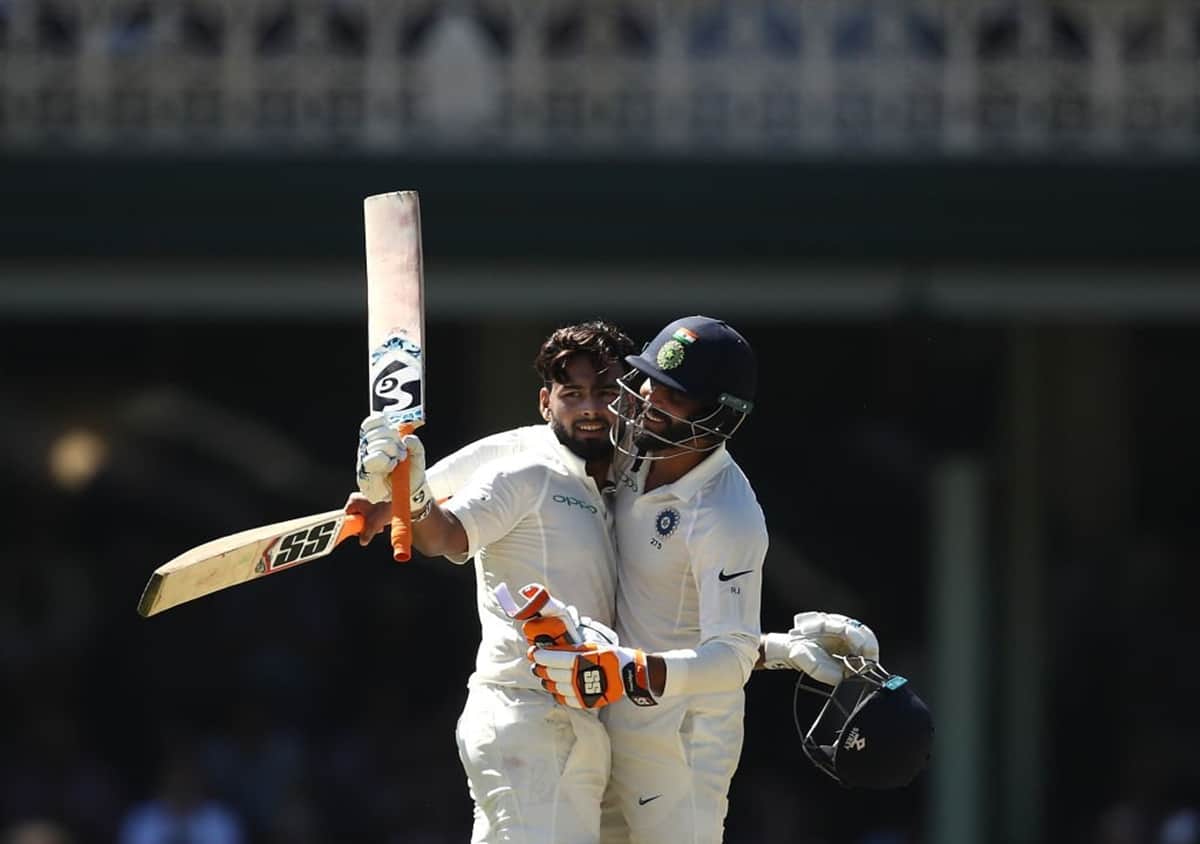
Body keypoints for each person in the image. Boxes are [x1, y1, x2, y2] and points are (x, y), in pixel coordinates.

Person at [351, 317, 879, 843]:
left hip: (679, 744)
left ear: (716, 416)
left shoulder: (725, 515)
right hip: (585, 716)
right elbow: (513, 458)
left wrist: (754, 650)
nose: (646, 398)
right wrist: (403, 490)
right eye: (647, 379)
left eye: (672, 393)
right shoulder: (625, 451)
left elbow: (729, 654)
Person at [353, 319, 636, 844]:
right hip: (526, 719)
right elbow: (443, 536)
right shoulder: (525, 476)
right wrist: (410, 496)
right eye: (573, 394)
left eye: (604, 393)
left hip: (577, 725)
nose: (591, 409)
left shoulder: (617, 486)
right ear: (546, 403)